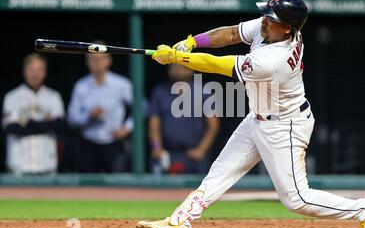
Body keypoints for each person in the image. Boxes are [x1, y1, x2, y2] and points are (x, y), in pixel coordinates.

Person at [136, 0, 365, 228]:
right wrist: (191, 42)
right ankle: (179, 221)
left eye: (271, 18)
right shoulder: (272, 27)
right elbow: (232, 33)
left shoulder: (274, 60)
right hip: (257, 117)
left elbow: (218, 65)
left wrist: (178, 57)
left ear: (288, 28)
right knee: (220, 172)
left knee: (297, 200)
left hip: (284, 126)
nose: (264, 21)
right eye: (266, 15)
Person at [68, 45, 133, 173]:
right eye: (93, 58)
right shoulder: (80, 86)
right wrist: (88, 116)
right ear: (87, 62)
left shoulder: (121, 84)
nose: (97, 62)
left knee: (118, 188)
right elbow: (72, 118)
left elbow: (141, 108)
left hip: (114, 143)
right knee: (87, 189)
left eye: (101, 58)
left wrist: (126, 128)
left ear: (109, 60)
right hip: (88, 144)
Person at [148, 64, 220, 174]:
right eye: (173, 66)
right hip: (167, 153)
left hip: (193, 153)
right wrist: (157, 147)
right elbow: (154, 124)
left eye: (181, 67)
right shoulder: (160, 92)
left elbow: (213, 125)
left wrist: (201, 149)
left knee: (199, 189)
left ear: (190, 69)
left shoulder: (203, 92)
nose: (176, 70)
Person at [2, 53, 65, 175]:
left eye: (39, 69)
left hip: (47, 166)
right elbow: (12, 128)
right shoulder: (12, 97)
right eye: (31, 69)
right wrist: (45, 124)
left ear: (45, 72)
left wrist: (28, 123)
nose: (35, 74)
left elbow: (59, 125)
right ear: (24, 71)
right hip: (18, 167)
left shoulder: (53, 97)